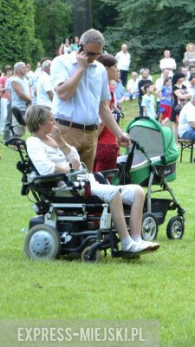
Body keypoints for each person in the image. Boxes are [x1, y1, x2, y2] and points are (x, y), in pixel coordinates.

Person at [25, 105, 159, 255]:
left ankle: (136, 240)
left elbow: (75, 156)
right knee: (113, 193)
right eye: (51, 120)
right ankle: (127, 243)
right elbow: (46, 169)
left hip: (82, 180)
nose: (55, 122)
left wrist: (61, 142)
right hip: (65, 187)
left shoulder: (54, 139)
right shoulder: (33, 142)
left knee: (138, 191)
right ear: (40, 123)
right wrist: (70, 167)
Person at [48, 30, 130, 172]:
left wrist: (118, 133)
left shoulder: (100, 70)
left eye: (98, 54)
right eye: (90, 53)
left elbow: (103, 106)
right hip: (66, 130)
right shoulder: (61, 62)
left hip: (92, 134)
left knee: (86, 183)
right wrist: (80, 69)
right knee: (64, 180)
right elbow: (63, 94)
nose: (93, 58)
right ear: (80, 47)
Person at [3, 62, 32, 140]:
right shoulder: (14, 80)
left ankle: (19, 142)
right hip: (18, 106)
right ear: (17, 70)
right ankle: (14, 143)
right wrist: (30, 100)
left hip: (25, 105)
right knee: (17, 126)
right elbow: (20, 94)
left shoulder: (26, 80)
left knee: (23, 127)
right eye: (23, 67)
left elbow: (29, 91)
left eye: (25, 67)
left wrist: (30, 101)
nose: (25, 69)